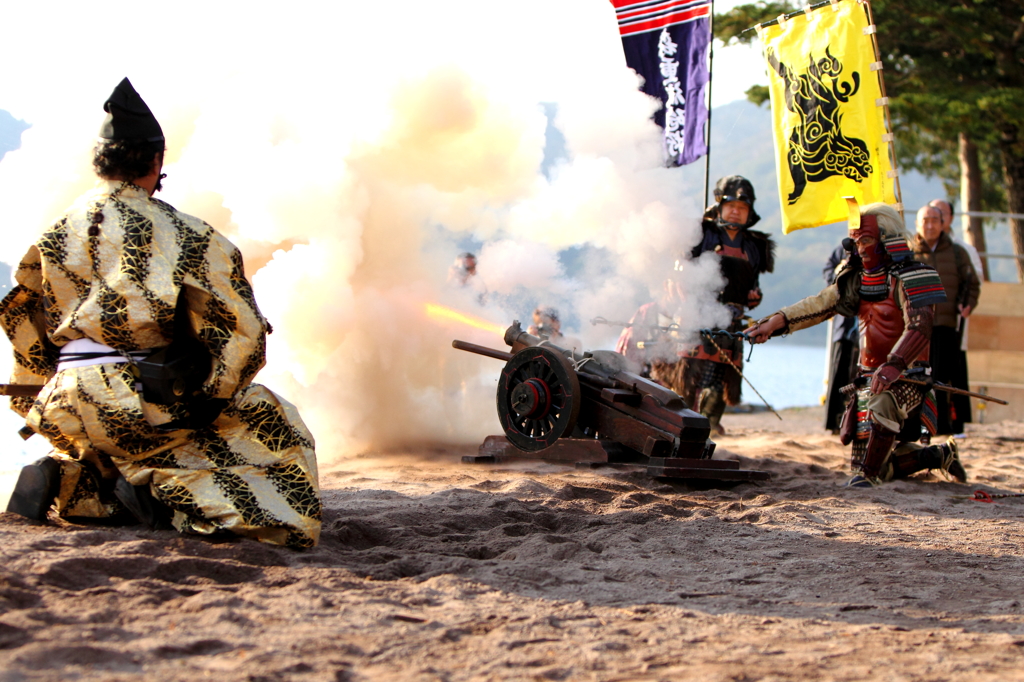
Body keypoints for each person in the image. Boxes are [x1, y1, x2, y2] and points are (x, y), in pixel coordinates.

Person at [0, 79, 321, 548]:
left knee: (115, 445)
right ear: (155, 163)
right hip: (140, 401)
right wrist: (211, 395)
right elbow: (241, 331)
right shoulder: (184, 232)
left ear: (99, 164)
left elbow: (20, 314)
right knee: (269, 422)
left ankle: (70, 475)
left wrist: (35, 396)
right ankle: (170, 505)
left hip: (63, 403)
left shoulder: (54, 232)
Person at [744, 201, 966, 487]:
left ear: (887, 238)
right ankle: (936, 456)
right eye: (857, 240)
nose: (861, 247)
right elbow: (819, 305)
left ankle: (868, 477)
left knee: (882, 410)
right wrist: (775, 322)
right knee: (881, 464)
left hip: (907, 379)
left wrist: (894, 365)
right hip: (867, 377)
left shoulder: (913, 276)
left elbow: (919, 328)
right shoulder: (855, 279)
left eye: (868, 239)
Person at [679, 175, 775, 434]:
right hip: (697, 316)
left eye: (742, 208)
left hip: (732, 321)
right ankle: (681, 422)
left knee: (720, 373)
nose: (736, 211)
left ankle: (709, 423)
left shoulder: (754, 246)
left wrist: (755, 297)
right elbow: (681, 273)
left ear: (749, 212)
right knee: (690, 373)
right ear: (720, 207)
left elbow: (753, 285)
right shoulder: (701, 235)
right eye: (731, 205)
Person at [912, 205, 981, 435]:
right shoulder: (909, 251)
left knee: (942, 378)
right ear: (917, 224)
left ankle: (942, 427)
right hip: (915, 327)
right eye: (925, 220)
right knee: (916, 377)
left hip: (945, 324)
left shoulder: (957, 252)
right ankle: (914, 425)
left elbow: (972, 282)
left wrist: (968, 304)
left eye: (934, 220)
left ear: (943, 224)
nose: (930, 225)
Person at [822, 243, 860, 434]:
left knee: (861, 377)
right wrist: (840, 270)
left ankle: (859, 424)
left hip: (866, 325)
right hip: (843, 323)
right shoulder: (841, 249)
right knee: (838, 374)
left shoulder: (880, 247)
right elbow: (828, 274)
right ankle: (834, 423)